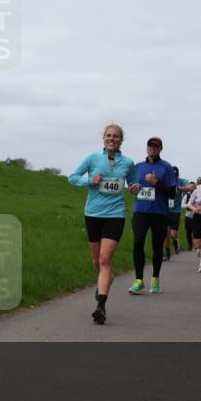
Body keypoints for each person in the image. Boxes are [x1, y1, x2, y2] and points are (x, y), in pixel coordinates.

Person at [68, 124, 139, 324]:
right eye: (108, 135)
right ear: (104, 139)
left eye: (115, 136)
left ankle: (101, 306)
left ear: (121, 140)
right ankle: (105, 281)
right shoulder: (92, 158)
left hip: (115, 214)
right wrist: (89, 181)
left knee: (105, 259)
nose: (111, 139)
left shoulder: (128, 162)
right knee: (96, 262)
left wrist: (134, 187)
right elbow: (72, 178)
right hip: (93, 214)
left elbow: (134, 184)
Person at [127, 137, 177, 295]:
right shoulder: (138, 167)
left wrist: (156, 182)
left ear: (160, 149)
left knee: (157, 247)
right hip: (141, 211)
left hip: (159, 213)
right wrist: (133, 189)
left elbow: (172, 193)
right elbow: (132, 186)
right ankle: (139, 280)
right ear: (147, 147)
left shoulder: (166, 168)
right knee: (138, 241)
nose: (153, 148)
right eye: (150, 146)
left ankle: (155, 278)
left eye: (156, 146)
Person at [165, 166, 196, 261]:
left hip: (176, 211)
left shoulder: (182, 181)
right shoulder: (165, 180)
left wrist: (178, 188)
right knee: (165, 233)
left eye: (175, 176)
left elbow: (190, 187)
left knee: (173, 234)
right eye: (172, 175)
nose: (173, 177)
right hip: (165, 210)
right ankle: (167, 252)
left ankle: (175, 241)